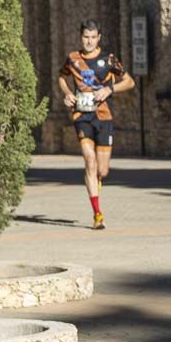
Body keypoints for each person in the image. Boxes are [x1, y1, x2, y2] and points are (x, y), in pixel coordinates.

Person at [57, 20, 136, 229]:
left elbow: (130, 81)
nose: (89, 41)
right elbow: (62, 78)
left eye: (93, 37)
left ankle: (98, 178)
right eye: (86, 37)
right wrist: (67, 94)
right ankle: (97, 215)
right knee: (89, 161)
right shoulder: (73, 58)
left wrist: (110, 89)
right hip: (81, 116)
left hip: (104, 117)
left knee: (103, 169)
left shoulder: (108, 59)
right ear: (80, 37)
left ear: (99, 38)